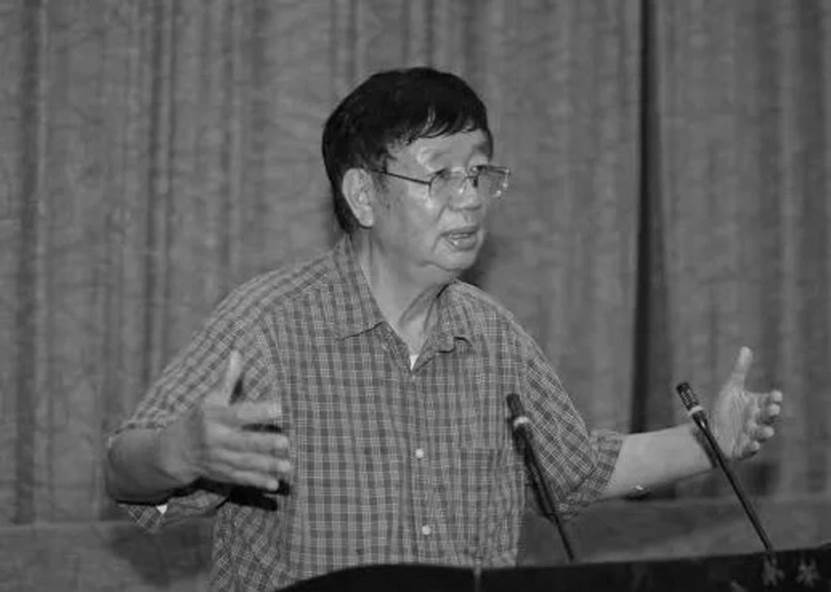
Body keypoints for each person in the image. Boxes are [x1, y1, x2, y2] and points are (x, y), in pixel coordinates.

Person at [105, 67, 783, 591]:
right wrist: (178, 452)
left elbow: (577, 470)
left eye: (479, 172)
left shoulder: (492, 334)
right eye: (440, 176)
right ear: (363, 195)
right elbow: (122, 471)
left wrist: (711, 443)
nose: (470, 197)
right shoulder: (268, 323)